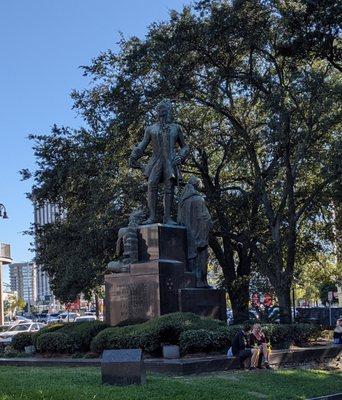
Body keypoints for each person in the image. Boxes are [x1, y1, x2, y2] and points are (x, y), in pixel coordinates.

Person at [129, 99, 189, 225]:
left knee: (169, 188)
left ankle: (167, 218)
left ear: (168, 111)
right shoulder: (150, 129)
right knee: (152, 184)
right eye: (159, 109)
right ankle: (152, 217)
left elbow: (185, 147)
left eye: (163, 109)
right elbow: (142, 145)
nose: (160, 111)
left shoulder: (176, 128)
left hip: (170, 161)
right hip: (156, 160)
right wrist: (134, 155)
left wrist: (181, 156)